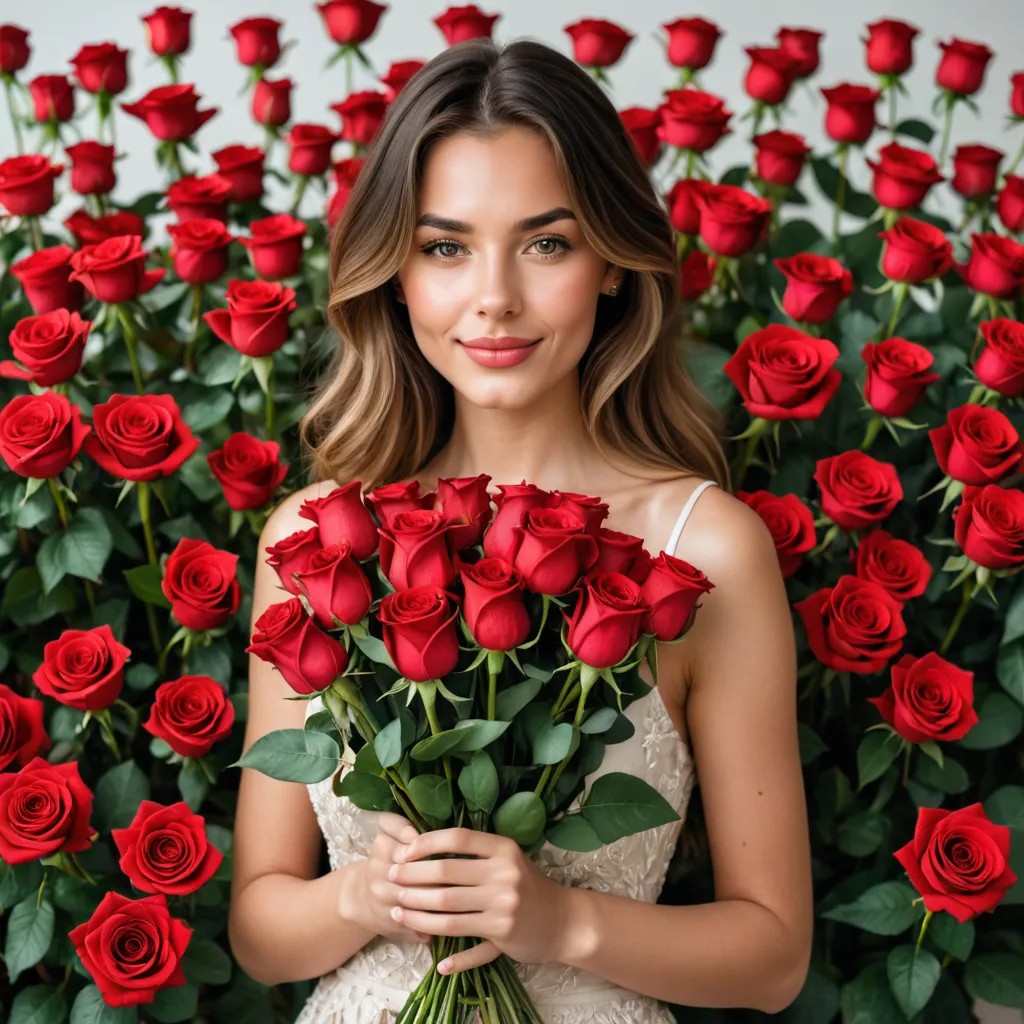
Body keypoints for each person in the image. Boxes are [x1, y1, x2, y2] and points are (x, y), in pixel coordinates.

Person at [228, 36, 813, 1024]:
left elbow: (772, 956)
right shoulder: (314, 536)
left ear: (614, 267)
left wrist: (559, 922)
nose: (494, 295)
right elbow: (258, 931)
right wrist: (359, 896)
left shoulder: (706, 549)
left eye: (547, 242)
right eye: (445, 246)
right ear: (397, 274)